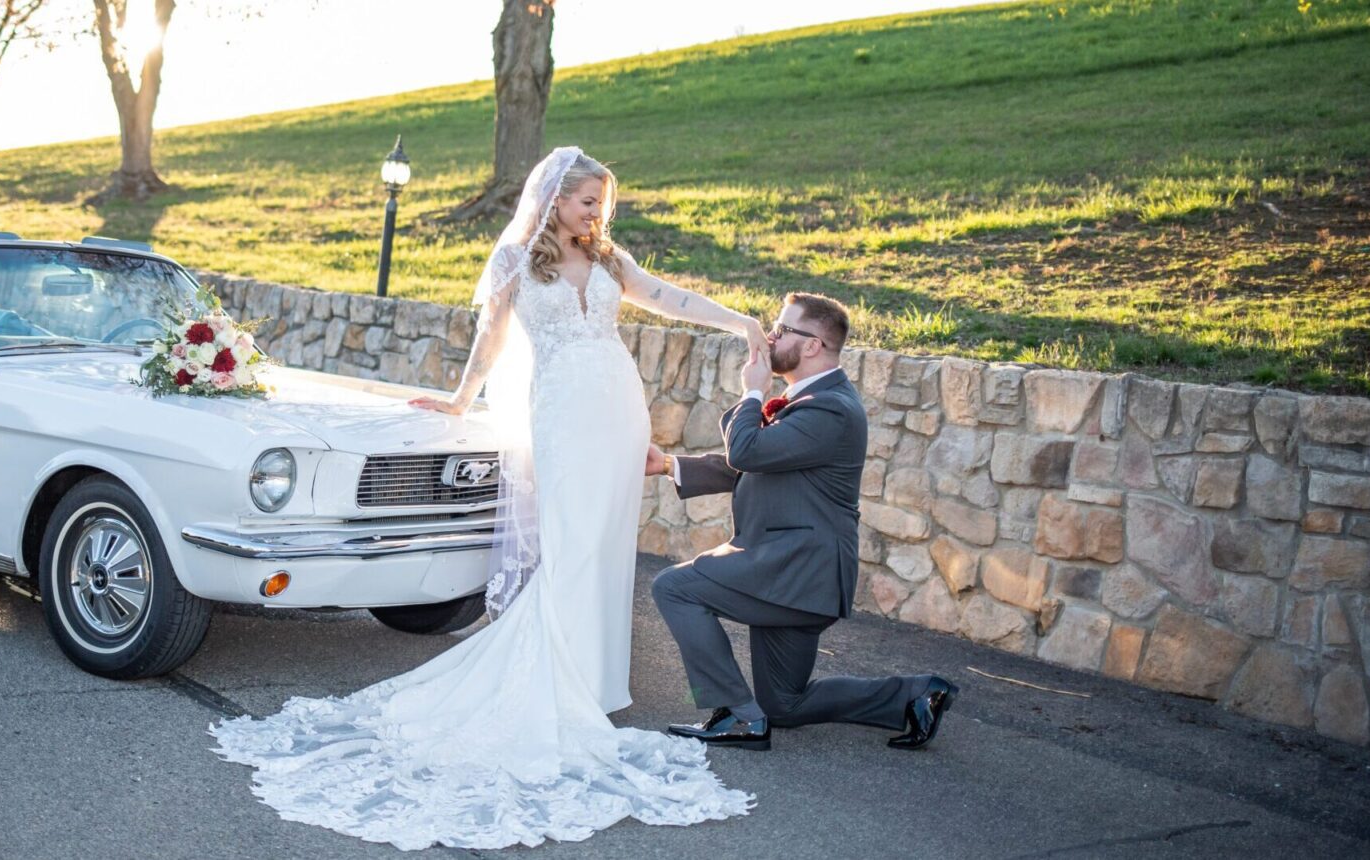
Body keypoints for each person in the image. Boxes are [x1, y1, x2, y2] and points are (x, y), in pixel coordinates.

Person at [208, 147, 763, 850]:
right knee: (571, 545)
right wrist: (461, 398)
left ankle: (594, 687)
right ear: (555, 199)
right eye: (589, 202)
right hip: (561, 410)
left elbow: (672, 299)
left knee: (606, 545)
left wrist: (742, 323)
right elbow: (492, 340)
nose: (599, 214)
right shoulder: (515, 264)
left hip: (619, 407)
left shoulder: (613, 260)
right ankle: (557, 687)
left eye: (604, 204)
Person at [645, 292, 958, 752]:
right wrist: (668, 464)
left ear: (812, 345)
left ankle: (735, 713)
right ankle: (913, 695)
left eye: (782, 329)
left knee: (673, 587)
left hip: (794, 571)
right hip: (795, 575)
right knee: (784, 704)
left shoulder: (831, 408)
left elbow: (748, 450)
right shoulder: (816, 400)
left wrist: (753, 391)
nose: (770, 337)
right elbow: (752, 463)